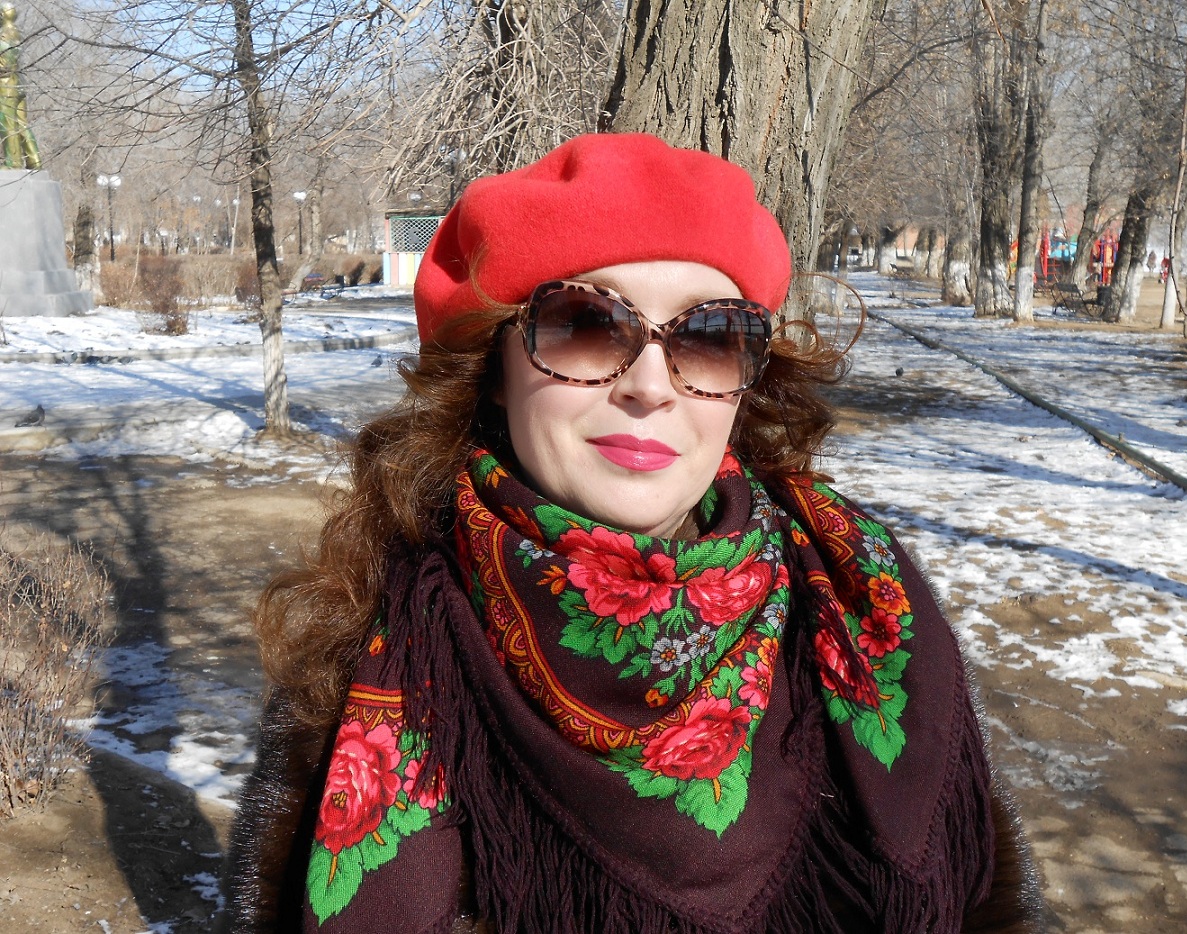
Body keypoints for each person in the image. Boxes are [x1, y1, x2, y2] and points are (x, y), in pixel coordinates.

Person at [221, 133, 1042, 933]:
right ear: (495, 367)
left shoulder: (865, 603)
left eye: (710, 337)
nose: (650, 386)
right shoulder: (370, 641)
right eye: (583, 323)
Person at [0, 2, 41, 170]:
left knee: (7, 123)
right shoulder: (16, 32)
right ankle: (34, 160)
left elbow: (5, 64)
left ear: (2, 15)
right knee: (22, 124)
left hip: (6, 85)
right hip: (18, 83)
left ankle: (13, 163)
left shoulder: (4, 34)